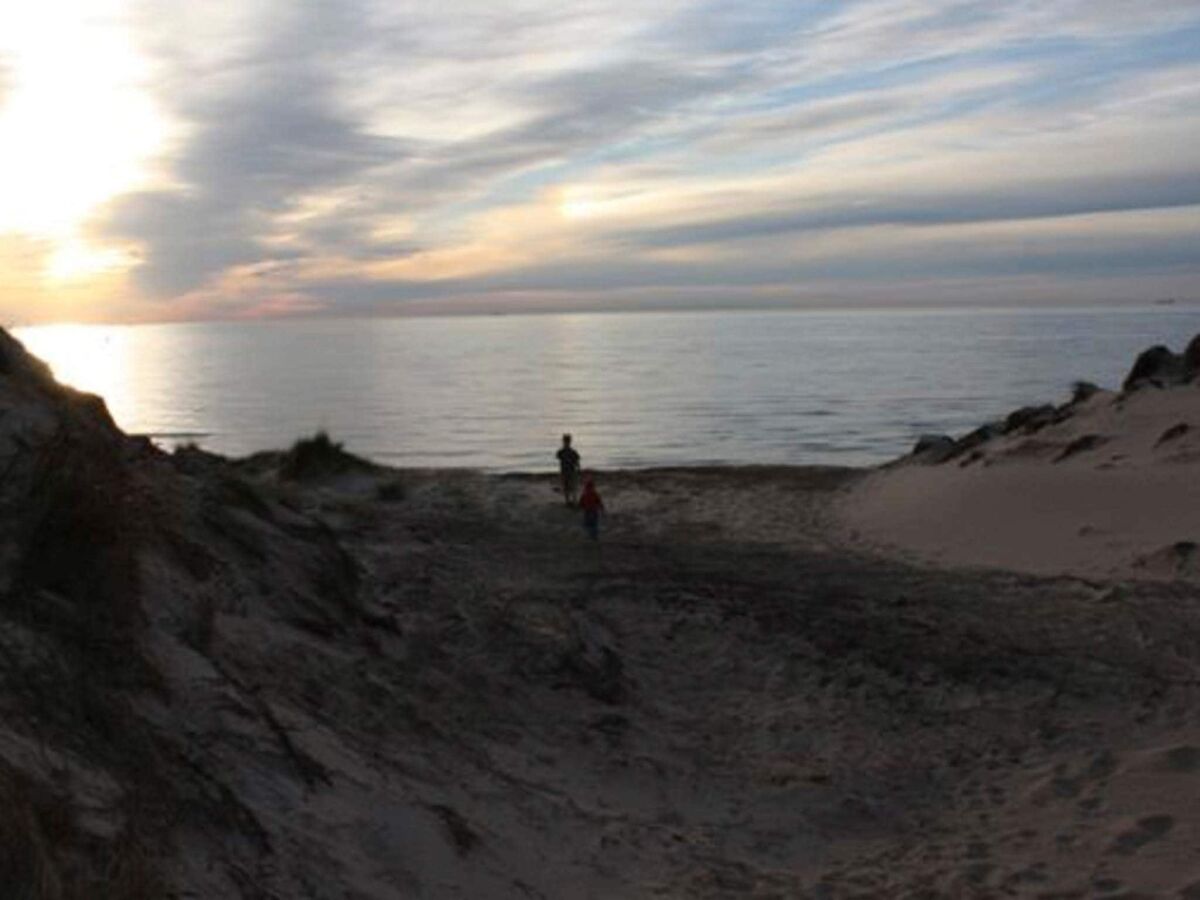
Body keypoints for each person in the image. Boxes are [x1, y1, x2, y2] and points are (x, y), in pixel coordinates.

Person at [556, 434, 581, 507]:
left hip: (571, 471)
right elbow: (558, 458)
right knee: (566, 486)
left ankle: (574, 500)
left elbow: (577, 461)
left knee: (572, 486)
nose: (566, 443)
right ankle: (568, 501)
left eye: (567, 442)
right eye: (565, 442)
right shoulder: (561, 451)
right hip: (564, 471)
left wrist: (578, 468)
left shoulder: (572, 452)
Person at [579, 474, 605, 540]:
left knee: (591, 523)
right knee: (592, 523)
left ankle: (593, 534)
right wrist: (602, 509)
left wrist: (602, 508)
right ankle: (593, 534)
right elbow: (599, 502)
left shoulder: (587, 494)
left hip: (590, 510)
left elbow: (581, 502)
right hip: (591, 510)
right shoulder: (593, 493)